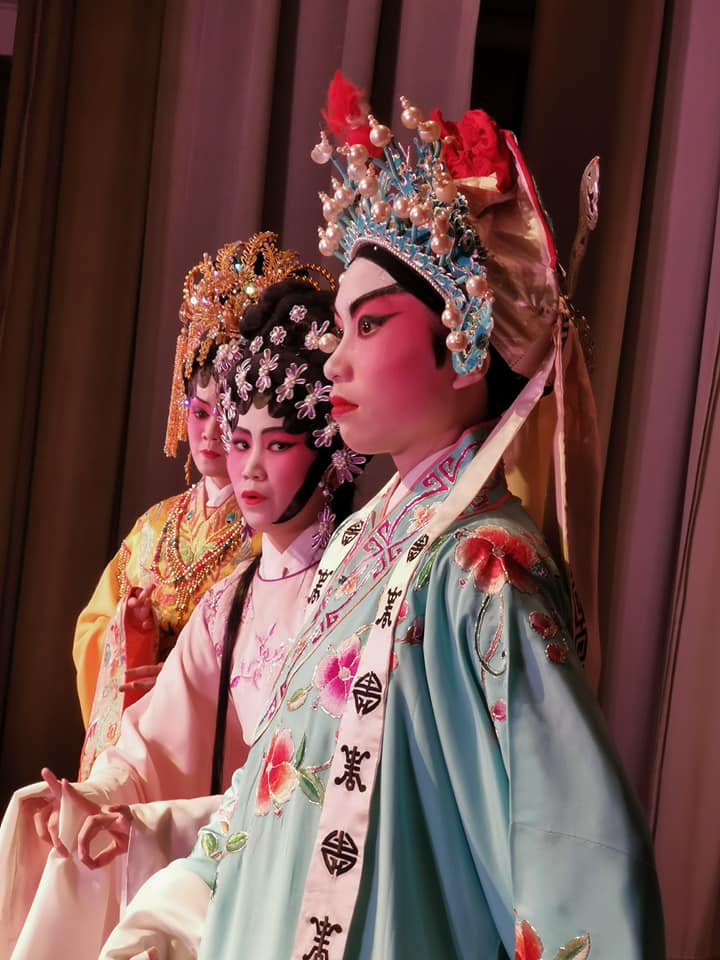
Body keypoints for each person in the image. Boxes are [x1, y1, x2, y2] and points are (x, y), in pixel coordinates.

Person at [98, 78, 664, 959]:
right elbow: (268, 796)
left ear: (464, 342)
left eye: (367, 326)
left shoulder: (483, 568)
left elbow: (569, 852)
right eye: (340, 328)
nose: (336, 360)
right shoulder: (361, 548)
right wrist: (174, 907)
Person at [0, 236, 361, 960]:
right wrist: (95, 798)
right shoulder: (229, 602)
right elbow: (152, 746)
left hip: (303, 880)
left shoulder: (353, 594)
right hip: (212, 855)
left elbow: (309, 792)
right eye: (241, 440)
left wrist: (148, 828)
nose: (248, 468)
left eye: (278, 444)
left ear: (331, 451)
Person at [75, 238, 263, 778]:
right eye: (199, 412)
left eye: (227, 415)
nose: (210, 433)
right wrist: (126, 632)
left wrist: (186, 682)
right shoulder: (152, 527)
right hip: (134, 743)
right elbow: (91, 630)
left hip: (207, 754)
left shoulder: (266, 535)